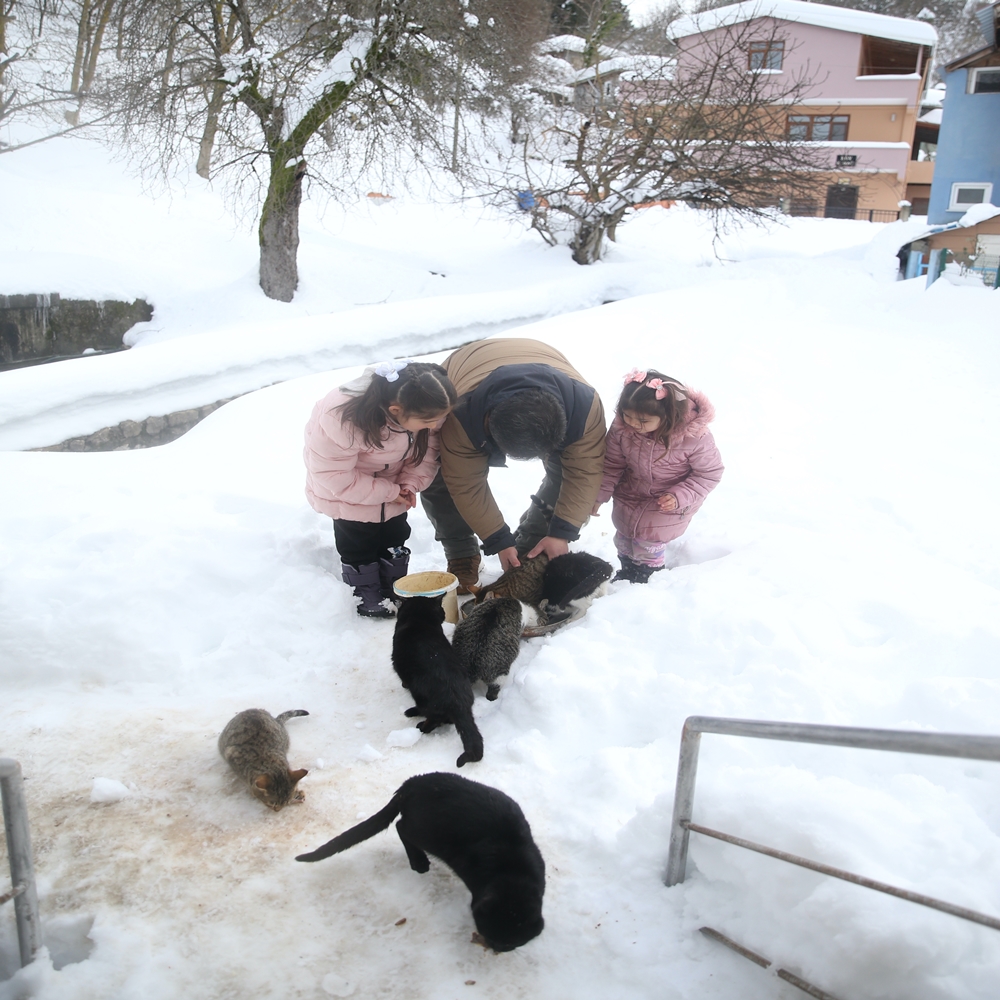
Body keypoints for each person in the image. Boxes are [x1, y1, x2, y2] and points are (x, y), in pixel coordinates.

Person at [419, 338, 606, 592]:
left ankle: (533, 543)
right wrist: (497, 539)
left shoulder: (584, 407)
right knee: (438, 472)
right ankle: (461, 554)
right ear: (488, 425)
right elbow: (465, 484)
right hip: (468, 365)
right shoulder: (461, 412)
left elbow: (584, 472)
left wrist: (562, 532)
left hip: (545, 359)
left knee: (565, 469)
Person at [303, 361, 457, 618]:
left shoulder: (425, 408)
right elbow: (334, 476)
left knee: (395, 533)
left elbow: (429, 449)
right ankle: (365, 590)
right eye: (428, 421)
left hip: (393, 484)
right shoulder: (342, 418)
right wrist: (388, 491)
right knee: (357, 541)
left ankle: (394, 585)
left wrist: (409, 484)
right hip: (347, 492)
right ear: (395, 410)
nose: (433, 425)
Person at [592, 368, 723, 583]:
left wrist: (680, 495)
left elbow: (709, 473)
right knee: (624, 536)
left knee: (648, 541)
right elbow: (612, 464)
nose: (633, 424)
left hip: (668, 501)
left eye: (642, 421)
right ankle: (627, 570)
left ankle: (647, 576)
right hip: (631, 492)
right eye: (627, 415)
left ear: (668, 417)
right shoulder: (622, 429)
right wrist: (599, 495)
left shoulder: (694, 438)